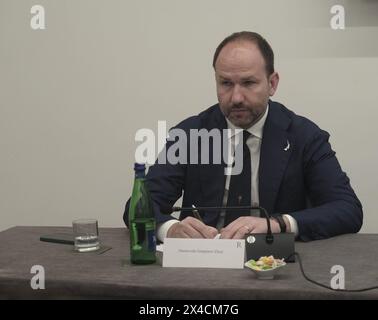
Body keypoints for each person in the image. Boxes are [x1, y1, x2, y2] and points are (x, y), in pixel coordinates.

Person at [123, 31, 363, 242]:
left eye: (248, 83)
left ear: (272, 83)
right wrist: (170, 228)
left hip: (273, 266)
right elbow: (137, 207)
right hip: (201, 268)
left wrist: (278, 224)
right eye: (226, 83)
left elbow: (348, 209)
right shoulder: (190, 134)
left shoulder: (304, 136)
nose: (236, 97)